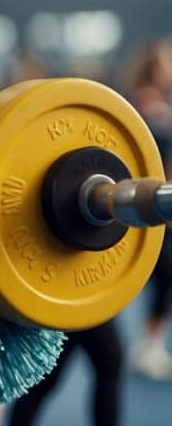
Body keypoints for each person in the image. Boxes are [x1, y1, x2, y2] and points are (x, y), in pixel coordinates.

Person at [124, 39, 172, 380]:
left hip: (160, 203)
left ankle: (150, 345)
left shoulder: (164, 107)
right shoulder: (138, 107)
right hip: (141, 203)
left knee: (164, 278)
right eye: (166, 63)